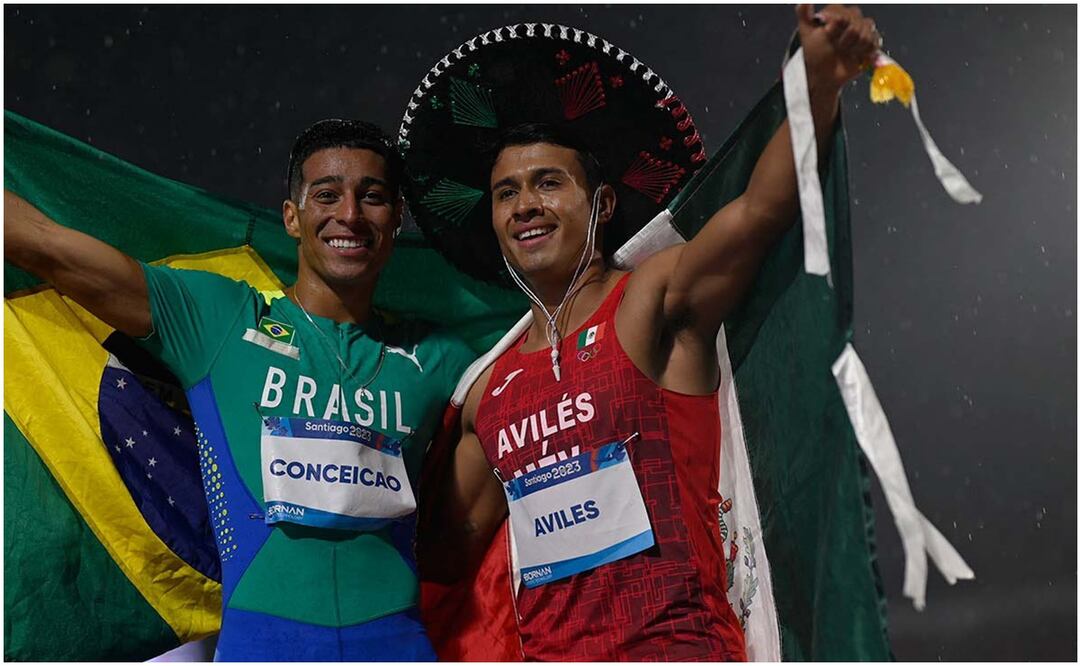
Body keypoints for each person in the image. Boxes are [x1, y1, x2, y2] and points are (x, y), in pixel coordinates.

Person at [410, 5, 881, 661]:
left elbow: (759, 210)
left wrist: (818, 82)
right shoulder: (489, 390)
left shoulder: (650, 300)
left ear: (601, 206)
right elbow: (439, 556)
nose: (525, 206)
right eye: (506, 192)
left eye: (549, 183)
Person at [4, 119, 475, 661]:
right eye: (327, 195)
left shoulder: (441, 357)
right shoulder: (218, 320)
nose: (349, 214)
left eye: (372, 197)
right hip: (263, 645)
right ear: (292, 219)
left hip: (398, 646)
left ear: (395, 220)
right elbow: (42, 244)